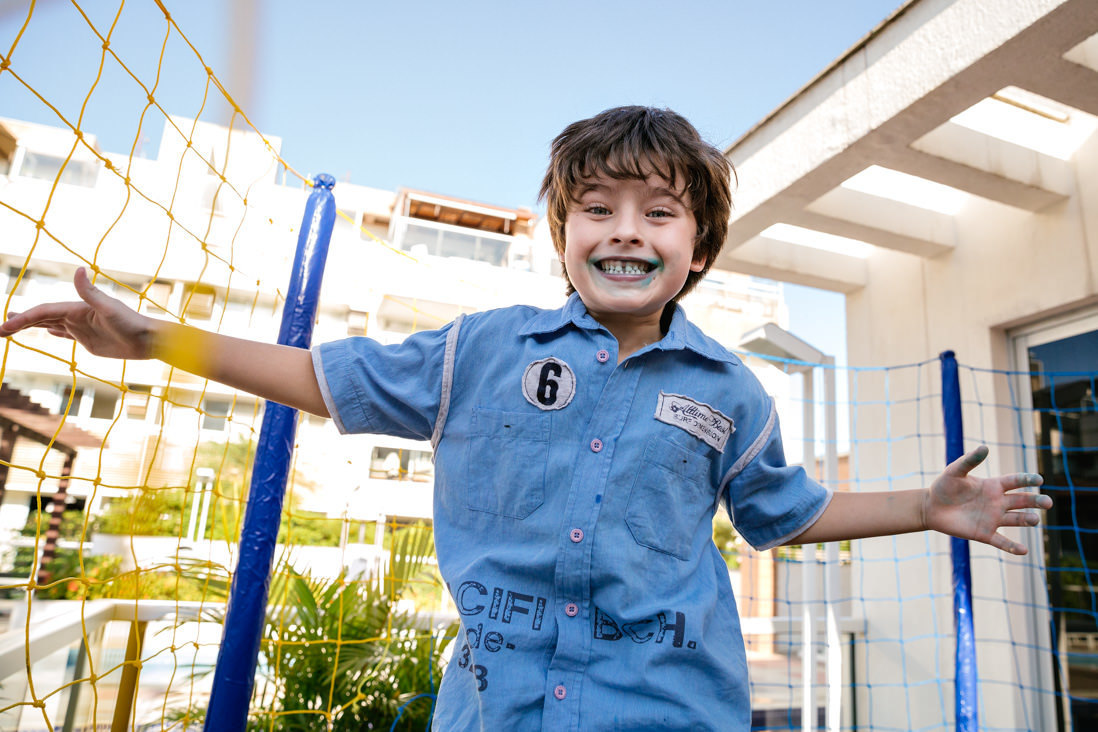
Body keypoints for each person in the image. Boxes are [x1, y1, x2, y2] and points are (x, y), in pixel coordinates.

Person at [0, 106, 1050, 730]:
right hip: (496, 711)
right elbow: (322, 377)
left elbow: (785, 514)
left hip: (671, 712)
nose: (624, 231)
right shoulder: (480, 350)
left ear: (700, 247)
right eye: (597, 208)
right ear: (562, 233)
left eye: (658, 211)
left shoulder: (732, 391)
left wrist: (923, 504)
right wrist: (153, 341)